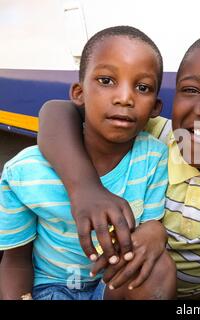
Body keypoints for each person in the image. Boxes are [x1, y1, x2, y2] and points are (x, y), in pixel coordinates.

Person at [36, 32, 200, 298]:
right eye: (191, 90)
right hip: (142, 285)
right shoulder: (154, 134)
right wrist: (84, 188)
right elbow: (56, 110)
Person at [0, 26, 176, 300]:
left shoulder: (153, 158)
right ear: (79, 93)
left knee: (157, 266)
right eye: (106, 81)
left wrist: (156, 230)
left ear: (155, 107)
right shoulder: (27, 171)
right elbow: (14, 261)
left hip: (112, 283)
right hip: (51, 289)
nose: (125, 98)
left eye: (142, 87)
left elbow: (149, 230)